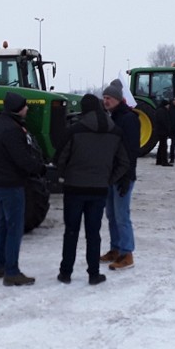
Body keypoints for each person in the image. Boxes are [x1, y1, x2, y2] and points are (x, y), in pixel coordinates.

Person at [54, 94, 129, 286]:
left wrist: (64, 176)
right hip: (99, 189)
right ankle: (93, 274)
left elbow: (59, 158)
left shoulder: (74, 130)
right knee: (93, 233)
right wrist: (108, 179)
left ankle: (66, 272)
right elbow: (124, 163)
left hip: (74, 188)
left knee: (71, 232)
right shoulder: (116, 131)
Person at [0, 91, 45, 286]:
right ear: (17, 109)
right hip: (11, 185)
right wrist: (40, 168)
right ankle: (11, 271)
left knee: (4, 224)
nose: (27, 109)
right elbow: (22, 160)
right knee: (14, 228)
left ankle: (0, 265)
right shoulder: (12, 130)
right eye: (24, 106)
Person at [99, 80, 140, 270]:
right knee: (112, 214)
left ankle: (127, 253)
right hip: (110, 174)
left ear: (117, 99)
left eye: (108, 98)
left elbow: (131, 150)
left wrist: (126, 175)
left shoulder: (129, 119)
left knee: (122, 215)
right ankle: (115, 249)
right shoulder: (112, 117)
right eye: (104, 98)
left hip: (122, 175)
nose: (105, 101)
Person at [154, 99, 172, 166]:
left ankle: (159, 161)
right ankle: (164, 162)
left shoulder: (159, 110)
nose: (169, 106)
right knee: (164, 146)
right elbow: (163, 121)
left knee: (161, 146)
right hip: (162, 131)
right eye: (168, 105)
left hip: (160, 131)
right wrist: (168, 129)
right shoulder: (162, 111)